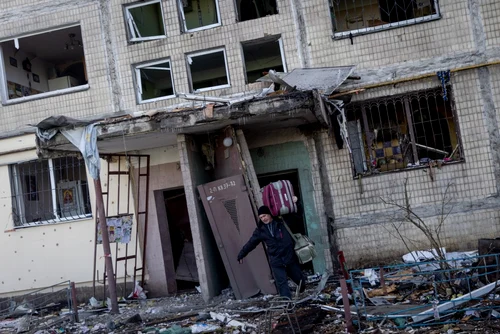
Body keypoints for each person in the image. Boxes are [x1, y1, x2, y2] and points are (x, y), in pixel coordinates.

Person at [237, 205, 305, 299]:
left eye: (264, 215)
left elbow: (298, 217)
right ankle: (287, 304)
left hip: (289, 256)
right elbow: (251, 243)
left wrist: (296, 202)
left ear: (270, 214)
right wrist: (241, 254)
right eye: (261, 217)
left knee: (299, 279)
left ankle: (302, 288)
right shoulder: (261, 230)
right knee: (281, 283)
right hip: (276, 259)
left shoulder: (282, 222)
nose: (263, 219)